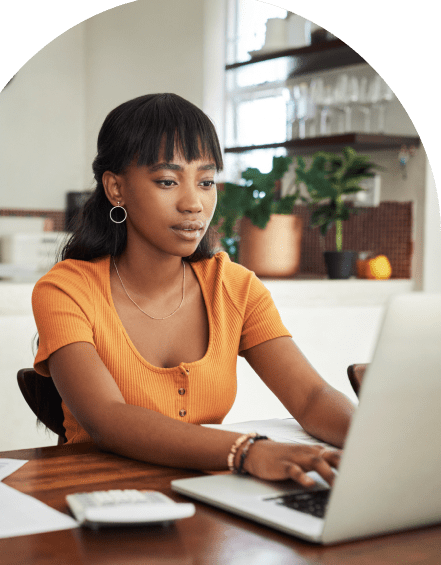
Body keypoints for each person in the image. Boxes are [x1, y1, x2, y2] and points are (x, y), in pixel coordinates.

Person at [32, 93, 355, 488]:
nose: (194, 204)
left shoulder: (234, 288)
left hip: (210, 502)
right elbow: (107, 420)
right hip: (97, 504)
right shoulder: (66, 290)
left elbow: (311, 397)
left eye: (206, 182)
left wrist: (379, 442)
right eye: (167, 181)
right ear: (116, 189)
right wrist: (246, 451)